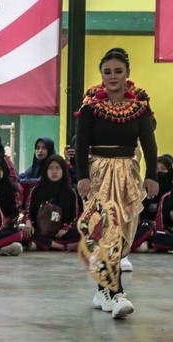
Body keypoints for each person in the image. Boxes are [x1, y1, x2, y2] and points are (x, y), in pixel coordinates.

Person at [76, 49, 158, 319]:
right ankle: (117, 293)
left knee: (124, 232)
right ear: (101, 75)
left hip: (128, 174)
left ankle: (103, 290)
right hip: (99, 173)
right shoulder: (91, 106)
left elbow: (149, 143)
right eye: (107, 72)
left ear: (127, 74)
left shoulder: (140, 106)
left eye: (118, 71)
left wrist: (151, 176)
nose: (112, 77)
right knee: (105, 230)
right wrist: (83, 177)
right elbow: (82, 143)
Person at [23, 155, 81, 251]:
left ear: (63, 170)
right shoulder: (37, 190)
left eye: (57, 168)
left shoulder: (70, 192)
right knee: (22, 232)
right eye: (50, 168)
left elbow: (74, 217)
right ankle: (60, 246)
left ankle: (40, 244)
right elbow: (27, 212)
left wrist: (65, 228)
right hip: (40, 230)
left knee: (81, 233)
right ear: (46, 170)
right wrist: (28, 224)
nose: (54, 171)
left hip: (60, 233)